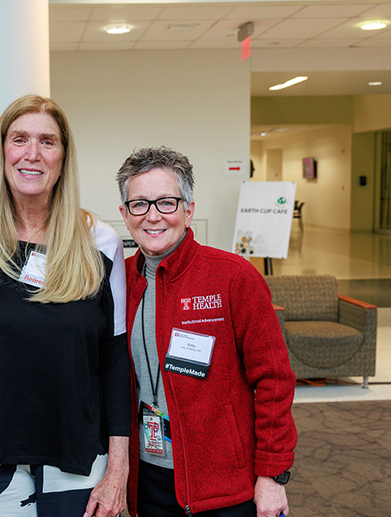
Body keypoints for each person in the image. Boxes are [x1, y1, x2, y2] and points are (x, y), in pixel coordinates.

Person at [0, 94, 132, 517]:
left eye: (48, 142)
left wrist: (118, 468)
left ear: (63, 158)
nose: (33, 154)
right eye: (20, 139)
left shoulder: (99, 243)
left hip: (78, 456)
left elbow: (115, 359)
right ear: (2, 152)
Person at [116, 147, 297, 517]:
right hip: (148, 480)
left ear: (189, 210)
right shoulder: (118, 280)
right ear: (125, 214)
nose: (153, 216)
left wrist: (272, 475)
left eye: (166, 202)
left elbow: (274, 380)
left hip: (224, 487)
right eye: (139, 204)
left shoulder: (233, 277)